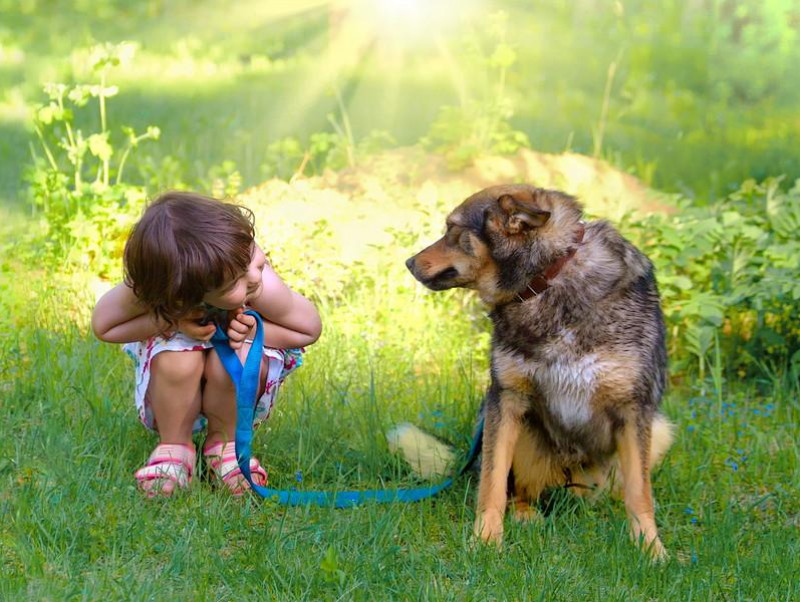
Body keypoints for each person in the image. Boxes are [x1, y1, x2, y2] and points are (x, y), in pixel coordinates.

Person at [91, 191, 322, 497]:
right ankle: (174, 446)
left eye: (252, 259)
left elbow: (308, 328)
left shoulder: (252, 275)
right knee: (177, 358)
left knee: (237, 359)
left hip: (234, 364)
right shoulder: (168, 276)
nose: (254, 275)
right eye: (234, 282)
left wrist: (253, 332)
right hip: (177, 361)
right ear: (180, 292)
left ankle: (224, 446)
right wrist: (170, 322)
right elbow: (104, 326)